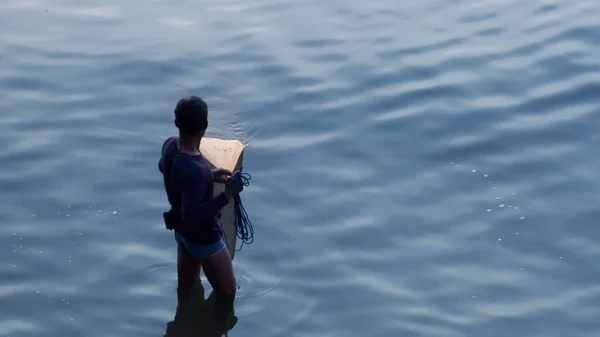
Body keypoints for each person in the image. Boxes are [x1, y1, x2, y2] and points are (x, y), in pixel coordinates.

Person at [158, 96, 243, 308]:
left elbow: (164, 167)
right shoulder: (196, 168)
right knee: (228, 294)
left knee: (187, 285)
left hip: (182, 234)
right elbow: (193, 215)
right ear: (204, 126)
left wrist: (209, 175)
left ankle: (185, 322)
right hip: (204, 239)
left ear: (176, 122)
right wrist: (227, 194)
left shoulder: (169, 145)